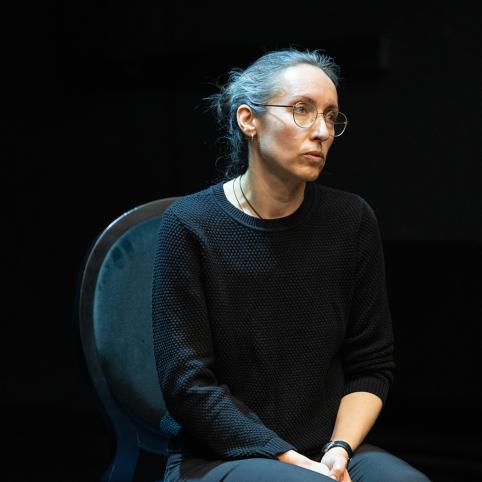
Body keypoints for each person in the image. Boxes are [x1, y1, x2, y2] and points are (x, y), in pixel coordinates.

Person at [152, 48, 431, 482]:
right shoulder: (189, 225)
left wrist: (338, 450)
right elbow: (188, 385)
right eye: (302, 110)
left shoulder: (351, 220)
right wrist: (290, 460)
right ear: (249, 120)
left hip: (327, 448)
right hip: (218, 454)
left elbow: (371, 365)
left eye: (331, 116)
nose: (322, 131)